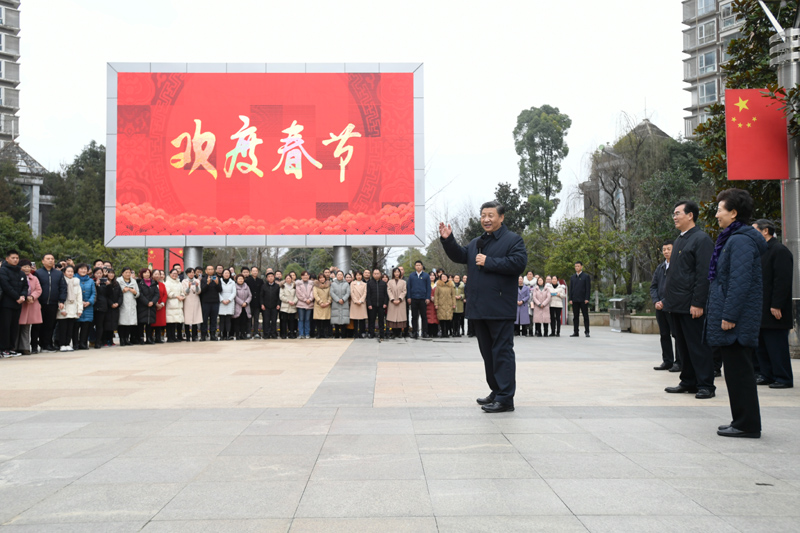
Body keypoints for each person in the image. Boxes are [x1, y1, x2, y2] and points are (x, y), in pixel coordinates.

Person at [440, 200, 528, 413]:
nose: (486, 220)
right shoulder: (477, 242)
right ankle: (496, 391)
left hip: (499, 307)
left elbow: (518, 263)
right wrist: (448, 239)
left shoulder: (512, 240)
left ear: (501, 217)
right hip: (479, 308)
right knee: (488, 353)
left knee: (502, 352)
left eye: (490, 215)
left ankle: (506, 398)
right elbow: (461, 255)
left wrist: (489, 261)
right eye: (483, 216)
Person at [706, 189, 766, 438]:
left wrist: (729, 316)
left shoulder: (740, 240)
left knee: (740, 372)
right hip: (736, 319)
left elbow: (739, 283)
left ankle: (747, 424)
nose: (717, 214)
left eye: (720, 209)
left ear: (733, 212)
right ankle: (740, 419)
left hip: (737, 321)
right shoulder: (734, 238)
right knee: (735, 372)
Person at [664, 200, 716, 400]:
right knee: (683, 346)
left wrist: (698, 303)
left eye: (677, 213)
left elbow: (704, 274)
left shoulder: (701, 240)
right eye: (674, 214)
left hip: (691, 305)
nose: (674, 217)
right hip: (676, 304)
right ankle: (688, 381)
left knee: (698, 346)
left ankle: (706, 384)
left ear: (690, 215)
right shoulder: (679, 240)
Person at [752, 219, 794, 389]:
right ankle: (766, 374)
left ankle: (783, 377)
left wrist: (777, 304)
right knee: (762, 345)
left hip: (774, 308)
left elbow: (782, 281)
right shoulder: (760, 251)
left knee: (776, 345)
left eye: (755, 230)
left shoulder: (779, 251)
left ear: (765, 231)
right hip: (760, 308)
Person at [650, 241, 679, 371]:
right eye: (664, 249)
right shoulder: (660, 268)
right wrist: (656, 301)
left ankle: (679, 362)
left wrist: (665, 302)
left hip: (673, 307)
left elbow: (678, 288)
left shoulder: (678, 267)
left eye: (669, 249)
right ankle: (667, 361)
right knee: (664, 334)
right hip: (660, 307)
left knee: (677, 335)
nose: (666, 251)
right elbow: (653, 286)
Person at [33, 253, 66, 353]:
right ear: (43, 261)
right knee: (37, 325)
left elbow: (63, 287)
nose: (50, 260)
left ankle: (47, 344)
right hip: (40, 303)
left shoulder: (58, 273)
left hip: (53, 303)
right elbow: (35, 288)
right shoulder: (38, 273)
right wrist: (36, 301)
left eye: (52, 259)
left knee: (50, 325)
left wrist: (61, 300)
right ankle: (35, 345)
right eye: (48, 259)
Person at [0, 250, 28, 357]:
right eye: (13, 258)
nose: (15, 260)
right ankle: (3, 349)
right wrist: (17, 297)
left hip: (18, 304)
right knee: (5, 327)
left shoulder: (21, 272)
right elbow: (6, 286)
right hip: (6, 304)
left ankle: (11, 347)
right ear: (7, 259)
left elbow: (25, 286)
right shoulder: (3, 270)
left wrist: (23, 296)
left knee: (14, 327)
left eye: (17, 258)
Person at [16, 259, 41, 356]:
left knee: (26, 327)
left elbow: (39, 290)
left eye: (28, 266)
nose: (27, 269)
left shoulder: (34, 278)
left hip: (30, 304)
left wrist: (32, 297)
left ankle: (25, 347)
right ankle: (14, 347)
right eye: (24, 266)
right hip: (20, 303)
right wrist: (23, 297)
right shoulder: (17, 276)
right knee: (17, 327)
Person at [57, 265, 82, 351]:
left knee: (70, 328)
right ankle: (62, 344)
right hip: (64, 307)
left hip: (73, 308)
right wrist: (62, 309)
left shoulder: (76, 282)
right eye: (68, 271)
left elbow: (79, 296)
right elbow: (59, 296)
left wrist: (79, 309)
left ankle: (67, 343)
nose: (70, 273)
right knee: (63, 328)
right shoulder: (61, 281)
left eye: (71, 271)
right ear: (64, 272)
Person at [74, 264, 96, 350]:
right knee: (75, 327)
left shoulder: (90, 281)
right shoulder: (74, 279)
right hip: (76, 306)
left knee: (86, 326)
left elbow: (94, 293)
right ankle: (76, 343)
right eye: (81, 269)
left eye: (85, 269)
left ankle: (83, 343)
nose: (83, 271)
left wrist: (89, 302)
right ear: (77, 270)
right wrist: (80, 302)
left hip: (88, 307)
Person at [406, 260, 431, 339]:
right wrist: (409, 297)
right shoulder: (411, 276)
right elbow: (409, 287)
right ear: (415, 266)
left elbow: (428, 288)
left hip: (423, 299)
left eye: (419, 265)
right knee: (414, 316)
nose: (418, 266)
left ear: (422, 266)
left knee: (424, 316)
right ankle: (415, 332)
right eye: (416, 265)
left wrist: (428, 297)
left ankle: (424, 332)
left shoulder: (426, 276)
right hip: (414, 298)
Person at [136, 268, 159, 344]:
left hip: (151, 306)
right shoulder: (139, 283)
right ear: (142, 274)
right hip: (142, 306)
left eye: (148, 273)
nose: (147, 274)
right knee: (141, 323)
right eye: (145, 273)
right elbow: (140, 294)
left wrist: (152, 302)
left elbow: (157, 294)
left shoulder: (153, 283)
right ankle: (141, 338)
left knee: (149, 323)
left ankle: (149, 338)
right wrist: (147, 302)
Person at [117, 267, 139, 346]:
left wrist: (134, 292)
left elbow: (138, 293)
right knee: (122, 323)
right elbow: (116, 292)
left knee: (129, 323)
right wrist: (122, 290)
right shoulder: (118, 281)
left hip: (131, 304)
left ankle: (127, 339)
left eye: (129, 272)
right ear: (122, 273)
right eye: (126, 272)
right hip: (123, 303)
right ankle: (122, 339)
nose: (128, 274)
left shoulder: (133, 281)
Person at [569, 262, 591, 338]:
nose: (577, 267)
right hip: (575, 300)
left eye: (578, 266)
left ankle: (587, 331)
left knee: (585, 316)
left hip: (583, 300)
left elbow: (588, 288)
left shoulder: (586, 276)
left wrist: (587, 298)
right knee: (575, 316)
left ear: (581, 267)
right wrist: (570, 298)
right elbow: (571, 288)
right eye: (575, 266)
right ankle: (575, 332)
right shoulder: (572, 277)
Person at [91, 266, 111, 349]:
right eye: (97, 273)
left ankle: (98, 342)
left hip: (102, 306)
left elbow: (109, 294)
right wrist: (96, 285)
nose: (99, 275)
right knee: (90, 325)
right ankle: (91, 340)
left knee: (100, 325)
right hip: (92, 306)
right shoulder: (91, 282)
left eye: (100, 273)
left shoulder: (105, 283)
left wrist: (108, 286)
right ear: (94, 274)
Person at [200, 265, 222, 341]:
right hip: (205, 302)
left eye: (212, 269)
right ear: (206, 271)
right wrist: (207, 283)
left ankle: (213, 335)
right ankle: (203, 335)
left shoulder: (217, 278)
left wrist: (217, 283)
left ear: (214, 270)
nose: (210, 271)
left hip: (215, 302)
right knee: (204, 319)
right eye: (208, 269)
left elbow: (220, 290)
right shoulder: (203, 279)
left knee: (214, 319)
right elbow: (202, 290)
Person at [182, 268, 203, 341]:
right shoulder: (184, 281)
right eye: (189, 272)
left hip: (195, 300)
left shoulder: (197, 280)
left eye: (192, 272)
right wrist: (189, 286)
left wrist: (196, 286)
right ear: (187, 274)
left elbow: (198, 292)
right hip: (187, 301)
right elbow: (184, 292)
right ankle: (187, 336)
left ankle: (194, 336)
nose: (191, 274)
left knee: (195, 319)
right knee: (187, 320)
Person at [367, 268, 388, 340]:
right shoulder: (369, 283)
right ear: (372, 275)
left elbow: (386, 295)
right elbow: (368, 295)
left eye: (377, 273)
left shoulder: (383, 283)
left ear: (380, 274)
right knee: (371, 320)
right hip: (372, 305)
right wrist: (369, 304)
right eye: (375, 274)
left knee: (381, 320)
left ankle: (382, 334)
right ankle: (371, 333)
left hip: (381, 305)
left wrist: (385, 303)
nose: (376, 275)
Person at [102, 269, 122, 347]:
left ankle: (111, 340)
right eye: (109, 273)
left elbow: (121, 295)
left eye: (112, 273)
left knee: (113, 325)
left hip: (115, 307)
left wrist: (118, 303)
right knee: (106, 324)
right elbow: (105, 295)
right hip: (108, 306)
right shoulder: (104, 283)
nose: (111, 275)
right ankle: (105, 340)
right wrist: (111, 303)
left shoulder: (116, 284)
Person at [386, 268, 407, 339]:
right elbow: (389, 291)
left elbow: (404, 291)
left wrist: (400, 299)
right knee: (393, 318)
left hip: (401, 302)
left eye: (398, 272)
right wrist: (392, 299)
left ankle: (399, 333)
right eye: (395, 272)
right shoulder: (390, 282)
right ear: (393, 273)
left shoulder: (403, 282)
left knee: (400, 318)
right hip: (392, 302)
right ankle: (394, 333)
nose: (397, 273)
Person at [165, 269, 185, 342]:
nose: (175, 275)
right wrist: (177, 296)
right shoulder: (167, 282)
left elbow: (182, 291)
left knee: (175, 322)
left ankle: (174, 337)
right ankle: (170, 337)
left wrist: (182, 296)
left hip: (178, 304)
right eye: (173, 273)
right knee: (170, 322)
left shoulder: (179, 282)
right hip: (171, 304)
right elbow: (168, 292)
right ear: (170, 274)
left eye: (176, 273)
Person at [330, 270, 351, 338]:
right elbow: (331, 293)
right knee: (336, 319)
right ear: (336, 276)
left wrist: (343, 299)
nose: (339, 276)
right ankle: (336, 335)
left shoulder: (346, 284)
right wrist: (337, 299)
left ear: (343, 276)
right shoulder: (333, 284)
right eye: (338, 275)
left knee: (343, 319)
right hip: (336, 303)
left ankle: (343, 335)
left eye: (341, 275)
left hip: (344, 303)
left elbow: (348, 293)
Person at [434, 272, 456, 338]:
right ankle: (443, 332)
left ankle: (447, 333)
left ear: (447, 278)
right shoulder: (438, 286)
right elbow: (436, 295)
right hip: (441, 304)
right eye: (442, 277)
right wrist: (436, 304)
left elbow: (453, 295)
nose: (444, 278)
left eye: (445, 277)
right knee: (442, 319)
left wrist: (454, 304)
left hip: (449, 304)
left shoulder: (451, 285)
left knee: (448, 319)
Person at [260, 272, 281, 339]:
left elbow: (279, 296)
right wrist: (262, 304)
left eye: (272, 276)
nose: (270, 278)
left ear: (274, 277)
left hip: (274, 306)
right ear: (266, 278)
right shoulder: (263, 286)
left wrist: (278, 304)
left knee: (274, 321)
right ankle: (266, 334)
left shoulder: (277, 286)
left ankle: (274, 334)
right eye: (269, 276)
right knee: (266, 321)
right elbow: (261, 296)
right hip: (266, 307)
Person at [246, 267, 264, 339]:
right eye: (253, 271)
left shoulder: (260, 281)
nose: (255, 272)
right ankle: (248, 332)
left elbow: (262, 292)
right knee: (249, 319)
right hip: (249, 303)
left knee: (256, 319)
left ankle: (256, 332)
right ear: (251, 272)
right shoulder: (247, 281)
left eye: (256, 271)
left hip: (257, 303)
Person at [295, 271, 315, 339]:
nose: (305, 276)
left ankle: (307, 334)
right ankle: (301, 334)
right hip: (301, 304)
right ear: (301, 276)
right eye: (303, 275)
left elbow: (313, 292)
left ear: (309, 276)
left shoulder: (312, 283)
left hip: (309, 304)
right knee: (301, 319)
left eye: (306, 275)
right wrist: (305, 299)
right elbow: (298, 293)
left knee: (307, 320)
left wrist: (310, 299)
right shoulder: (298, 283)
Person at [233, 274, 252, 340]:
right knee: (237, 321)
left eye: (242, 279)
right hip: (238, 306)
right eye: (239, 279)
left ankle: (243, 334)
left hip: (246, 307)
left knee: (244, 321)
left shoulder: (247, 286)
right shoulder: (234, 286)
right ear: (236, 280)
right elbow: (234, 296)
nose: (241, 280)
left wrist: (246, 302)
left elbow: (250, 296)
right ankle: (237, 335)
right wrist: (241, 303)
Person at [313, 272, 332, 339]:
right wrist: (320, 302)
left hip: (326, 305)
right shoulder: (316, 286)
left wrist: (328, 302)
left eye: (323, 278)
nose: (322, 279)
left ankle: (325, 334)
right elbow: (315, 295)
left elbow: (330, 295)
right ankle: (319, 334)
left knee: (325, 321)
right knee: (318, 321)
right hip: (319, 305)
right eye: (320, 278)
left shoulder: (328, 286)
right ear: (318, 279)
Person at [218, 269, 236, 341]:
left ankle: (228, 335)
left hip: (230, 302)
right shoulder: (219, 281)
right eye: (225, 273)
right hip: (221, 302)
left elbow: (234, 292)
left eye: (228, 273)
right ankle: (222, 335)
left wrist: (229, 300)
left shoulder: (232, 282)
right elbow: (217, 292)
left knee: (228, 320)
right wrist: (222, 300)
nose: (226, 274)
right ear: (222, 274)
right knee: (222, 320)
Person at [350, 270, 368, 338]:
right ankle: (355, 333)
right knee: (355, 319)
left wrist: (360, 301)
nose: (359, 276)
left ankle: (361, 333)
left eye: (360, 275)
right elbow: (352, 293)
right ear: (355, 276)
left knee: (361, 319)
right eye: (357, 275)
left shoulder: (364, 284)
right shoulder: (352, 283)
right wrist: (355, 300)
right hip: (354, 303)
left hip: (361, 303)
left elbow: (365, 293)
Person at [151, 270, 168, 343]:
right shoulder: (150, 284)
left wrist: (162, 303)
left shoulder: (162, 284)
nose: (157, 275)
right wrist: (155, 303)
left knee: (159, 323)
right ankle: (151, 338)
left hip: (161, 306)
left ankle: (158, 338)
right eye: (156, 274)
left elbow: (165, 295)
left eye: (159, 274)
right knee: (152, 323)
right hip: (153, 305)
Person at [426, 271, 439, 337]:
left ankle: (435, 332)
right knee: (428, 317)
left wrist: (435, 298)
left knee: (435, 318)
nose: (432, 277)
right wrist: (429, 297)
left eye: (433, 275)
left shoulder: (437, 284)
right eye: (430, 275)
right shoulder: (426, 284)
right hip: (428, 303)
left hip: (436, 303)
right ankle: (429, 332)